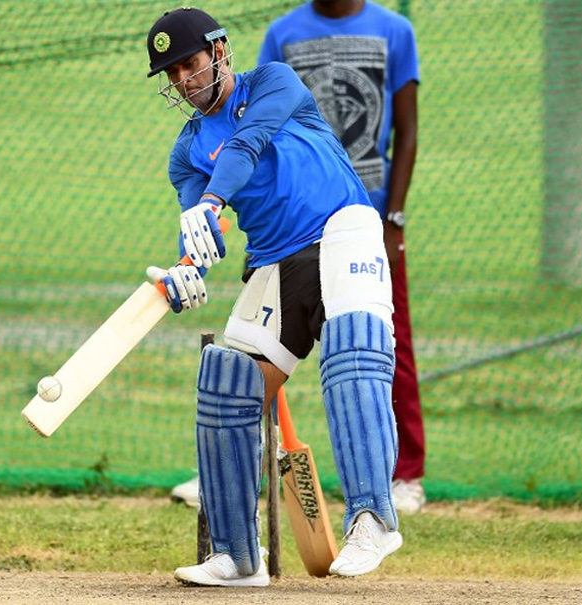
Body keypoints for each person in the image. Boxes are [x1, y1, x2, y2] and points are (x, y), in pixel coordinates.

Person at [146, 7, 401, 587]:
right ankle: (237, 556)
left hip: (342, 227)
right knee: (226, 383)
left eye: (188, 64)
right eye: (171, 74)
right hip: (274, 262)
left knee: (352, 354)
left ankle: (372, 517)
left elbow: (248, 144)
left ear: (218, 51)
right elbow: (200, 228)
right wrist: (188, 267)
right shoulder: (185, 154)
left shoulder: (274, 81)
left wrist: (211, 204)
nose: (183, 81)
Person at [258, 0, 426, 514]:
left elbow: (408, 130)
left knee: (386, 346)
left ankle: (405, 475)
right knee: (261, 346)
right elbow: (264, 133)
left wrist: (394, 218)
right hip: (297, 223)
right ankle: (243, 459)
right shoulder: (282, 34)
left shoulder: (394, 30)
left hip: (367, 220)